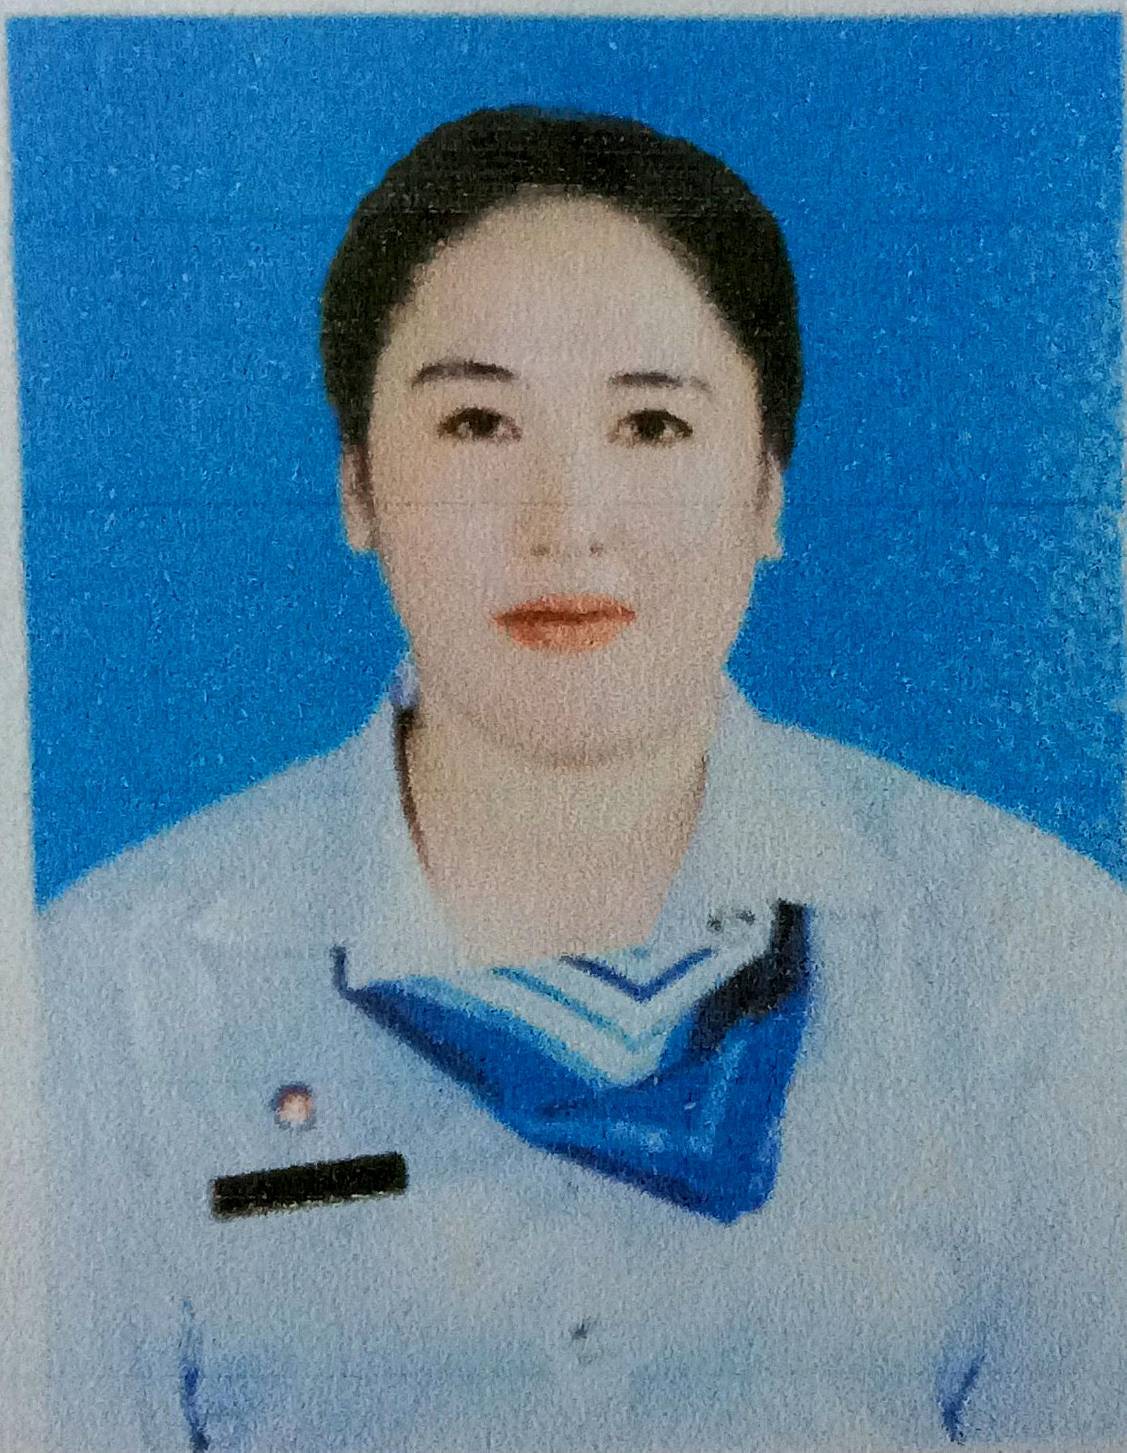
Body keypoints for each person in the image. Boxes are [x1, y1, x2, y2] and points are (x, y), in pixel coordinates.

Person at [37, 106, 1127, 1452]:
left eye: (652, 425)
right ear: (358, 485)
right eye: (478, 422)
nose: (565, 524)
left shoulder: (1037, 963)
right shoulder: (106, 999)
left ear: (769, 489)